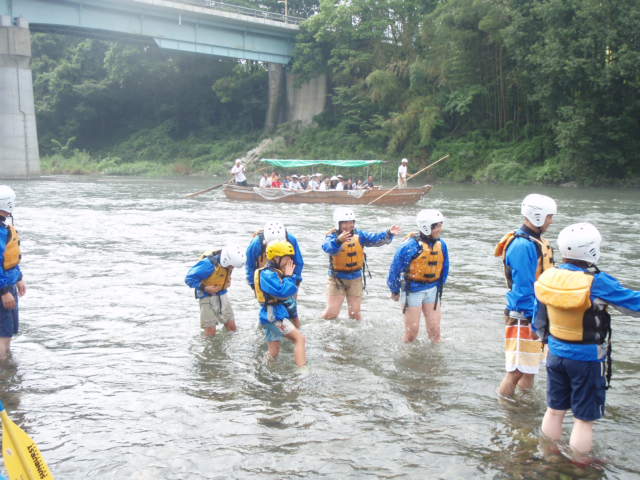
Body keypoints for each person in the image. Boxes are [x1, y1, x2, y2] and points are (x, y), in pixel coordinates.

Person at [534, 222, 640, 462]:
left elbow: (537, 319)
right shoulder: (598, 282)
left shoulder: (548, 276)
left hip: (555, 354)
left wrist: (547, 341)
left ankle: (549, 457)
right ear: (592, 250)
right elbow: (634, 305)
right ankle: (580, 465)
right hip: (587, 359)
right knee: (583, 419)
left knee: (554, 410)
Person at [494, 193, 557, 397]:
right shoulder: (522, 245)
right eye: (549, 217)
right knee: (516, 371)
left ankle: (524, 406)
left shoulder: (536, 242)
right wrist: (533, 319)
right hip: (524, 315)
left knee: (530, 368)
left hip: (536, 313)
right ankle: (506, 405)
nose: (551, 221)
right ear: (538, 216)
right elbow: (523, 288)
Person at [322, 207, 400, 320]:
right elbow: (328, 248)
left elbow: (375, 239)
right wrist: (339, 241)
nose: (348, 225)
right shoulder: (332, 237)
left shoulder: (359, 235)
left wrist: (388, 233)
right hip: (337, 279)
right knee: (331, 313)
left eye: (351, 222)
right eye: (345, 223)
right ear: (338, 223)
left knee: (355, 314)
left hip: (355, 279)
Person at [387, 209, 449, 343]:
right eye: (437, 226)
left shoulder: (441, 244)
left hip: (432, 290)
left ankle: (435, 356)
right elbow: (395, 269)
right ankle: (406, 353)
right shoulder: (410, 246)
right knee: (412, 333)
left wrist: (440, 286)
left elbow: (445, 267)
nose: (440, 229)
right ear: (427, 227)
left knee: (435, 332)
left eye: (440, 225)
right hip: (412, 290)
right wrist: (394, 290)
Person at [254, 241, 307, 367]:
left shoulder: (276, 272)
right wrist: (288, 277)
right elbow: (283, 292)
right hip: (273, 317)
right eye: (287, 258)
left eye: (290, 258)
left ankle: (262, 368)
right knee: (299, 339)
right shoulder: (267, 274)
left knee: (274, 351)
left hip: (273, 315)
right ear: (276, 258)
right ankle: (302, 370)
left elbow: (289, 295)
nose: (289, 261)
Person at [246, 221, 304, 329]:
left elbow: (298, 263)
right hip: (266, 278)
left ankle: (295, 331)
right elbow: (250, 267)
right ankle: (265, 329)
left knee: (291, 307)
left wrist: (295, 282)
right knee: (268, 307)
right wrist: (254, 287)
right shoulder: (256, 244)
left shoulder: (291, 240)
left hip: (287, 275)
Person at [185, 244, 246, 337]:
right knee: (210, 332)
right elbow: (189, 279)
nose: (232, 268)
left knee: (232, 328)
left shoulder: (229, 262)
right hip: (206, 296)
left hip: (222, 294)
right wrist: (205, 288)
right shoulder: (207, 264)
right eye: (231, 266)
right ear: (226, 260)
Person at [0, 186, 25, 361]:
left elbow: (9, 258)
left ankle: (8, 371)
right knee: (3, 335)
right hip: (3, 289)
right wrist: (4, 291)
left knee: (6, 333)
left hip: (8, 284)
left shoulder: (4, 228)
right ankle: (4, 374)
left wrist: (19, 278)